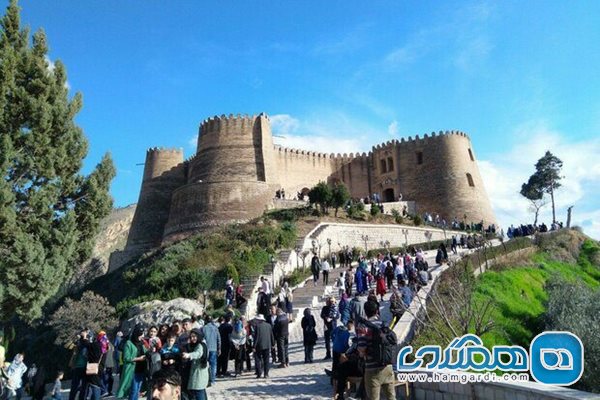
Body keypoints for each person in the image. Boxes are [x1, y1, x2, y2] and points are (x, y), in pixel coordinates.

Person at [357, 301, 396, 400]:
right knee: (391, 397)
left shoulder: (364, 327)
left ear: (365, 312)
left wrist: (362, 354)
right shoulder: (384, 325)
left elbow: (362, 348)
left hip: (372, 369)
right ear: (377, 311)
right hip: (387, 367)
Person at [116, 326, 146, 400]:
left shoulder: (142, 343)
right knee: (133, 390)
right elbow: (126, 358)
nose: (141, 337)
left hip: (141, 369)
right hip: (132, 370)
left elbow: (146, 352)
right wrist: (139, 358)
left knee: (138, 390)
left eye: (142, 334)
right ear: (136, 334)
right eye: (140, 335)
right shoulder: (129, 343)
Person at [181, 329, 208, 400]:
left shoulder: (200, 345)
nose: (193, 338)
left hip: (199, 373)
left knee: (199, 391)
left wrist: (189, 355)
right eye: (191, 337)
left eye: (194, 336)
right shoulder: (197, 344)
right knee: (200, 391)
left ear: (199, 336)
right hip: (199, 373)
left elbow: (198, 353)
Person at [68, 329, 89, 400]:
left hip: (78, 366)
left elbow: (68, 347)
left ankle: (72, 398)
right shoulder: (82, 344)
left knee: (75, 385)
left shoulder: (79, 343)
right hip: (83, 366)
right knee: (84, 386)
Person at [252, 314, 274, 379]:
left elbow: (256, 337)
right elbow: (271, 335)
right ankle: (266, 374)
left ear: (259, 320)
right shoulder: (269, 325)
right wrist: (273, 344)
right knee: (266, 360)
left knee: (258, 359)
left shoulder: (257, 326)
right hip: (267, 345)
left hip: (259, 345)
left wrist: (254, 346)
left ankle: (259, 373)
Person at [201, 316, 219, 386]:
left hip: (205, 349)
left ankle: (206, 379)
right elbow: (218, 339)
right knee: (213, 365)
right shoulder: (215, 328)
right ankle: (212, 380)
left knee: (205, 364)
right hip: (214, 348)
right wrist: (219, 348)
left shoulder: (203, 328)